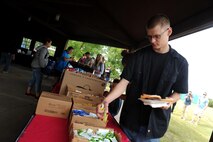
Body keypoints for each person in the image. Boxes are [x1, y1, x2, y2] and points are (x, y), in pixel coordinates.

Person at [97, 13, 188, 142]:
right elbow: (123, 83)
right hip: (129, 121)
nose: (152, 41)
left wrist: (170, 101)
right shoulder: (138, 56)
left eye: (157, 36)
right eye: (149, 37)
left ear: (169, 31)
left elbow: (179, 92)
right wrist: (106, 101)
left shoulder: (180, 63)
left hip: (154, 127)